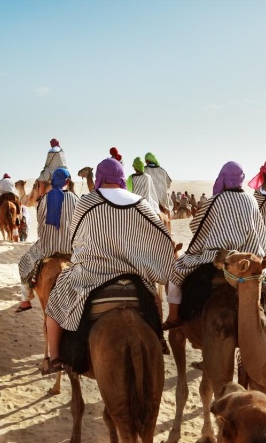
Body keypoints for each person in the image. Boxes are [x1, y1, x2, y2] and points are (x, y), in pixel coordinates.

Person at [41, 157, 176, 374]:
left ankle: (54, 359)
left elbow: (76, 237)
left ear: (100, 177)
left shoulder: (87, 201)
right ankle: (158, 339)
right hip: (134, 275)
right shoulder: (140, 202)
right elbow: (160, 236)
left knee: (55, 303)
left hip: (91, 273)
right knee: (154, 300)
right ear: (122, 177)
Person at [163, 161, 266, 329]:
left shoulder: (215, 201)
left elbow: (196, 226)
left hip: (214, 257)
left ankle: (173, 317)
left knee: (176, 271)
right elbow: (260, 232)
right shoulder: (251, 201)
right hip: (244, 260)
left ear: (223, 179)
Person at [16, 167, 78, 312]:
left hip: (45, 248)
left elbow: (40, 224)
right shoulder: (76, 199)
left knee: (23, 263)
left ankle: (25, 300)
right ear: (67, 181)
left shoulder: (43, 199)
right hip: (70, 248)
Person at [33, 138, 68, 204]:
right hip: (65, 171)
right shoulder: (62, 151)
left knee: (40, 180)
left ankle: (41, 196)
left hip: (54, 171)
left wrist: (44, 168)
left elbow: (47, 163)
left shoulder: (52, 150)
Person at [143, 152, 173, 221]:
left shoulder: (144, 170)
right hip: (162, 199)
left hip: (149, 198)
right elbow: (169, 182)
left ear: (147, 160)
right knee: (168, 210)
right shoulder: (162, 170)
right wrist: (164, 189)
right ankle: (169, 225)